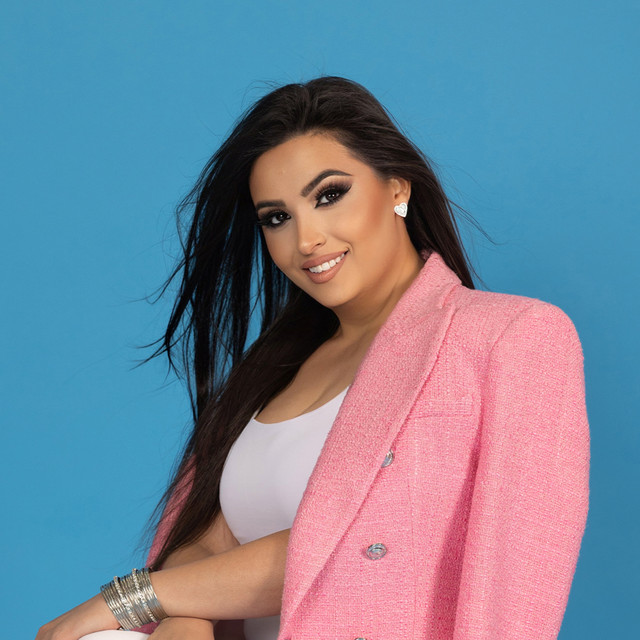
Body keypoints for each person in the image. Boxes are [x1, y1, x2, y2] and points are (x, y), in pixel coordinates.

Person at [36, 76, 590, 640]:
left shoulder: (511, 338)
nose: (306, 239)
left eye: (329, 195)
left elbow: (358, 543)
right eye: (277, 217)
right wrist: (187, 617)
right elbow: (205, 536)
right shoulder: (269, 372)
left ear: (397, 188)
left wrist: (133, 599)